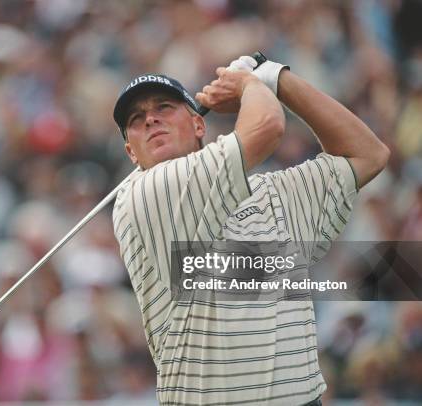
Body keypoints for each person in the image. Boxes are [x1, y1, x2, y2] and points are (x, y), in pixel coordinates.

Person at [111, 55, 390, 405]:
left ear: (199, 124)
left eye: (164, 107)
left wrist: (278, 77)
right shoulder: (145, 193)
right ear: (130, 153)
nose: (150, 118)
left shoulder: (270, 193)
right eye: (136, 119)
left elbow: (369, 154)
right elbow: (268, 127)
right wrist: (250, 83)